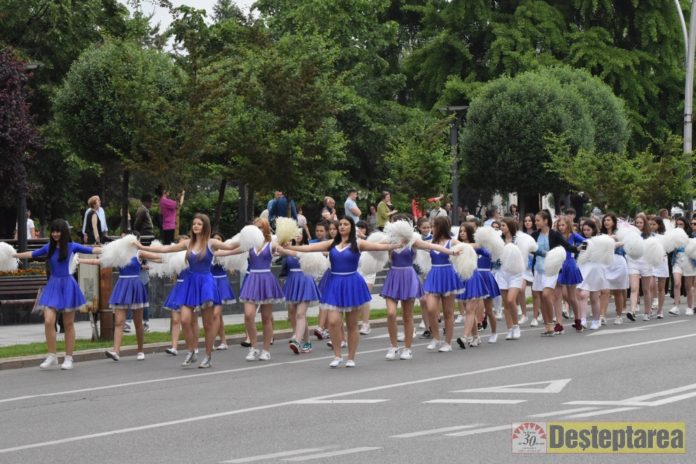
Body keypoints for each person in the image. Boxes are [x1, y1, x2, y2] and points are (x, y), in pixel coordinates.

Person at [283, 216, 402, 368]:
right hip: (335, 284)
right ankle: (337, 355)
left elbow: (378, 247)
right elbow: (310, 248)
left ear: (351, 227)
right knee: (333, 322)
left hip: (352, 284)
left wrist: (398, 244)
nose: (342, 226)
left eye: (346, 224)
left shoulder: (358, 243)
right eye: (340, 224)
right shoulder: (331, 243)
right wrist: (290, 247)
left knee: (352, 324)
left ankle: (351, 357)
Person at [137, 213, 234, 368]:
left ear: (205, 226)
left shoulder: (211, 243)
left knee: (208, 324)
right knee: (184, 319)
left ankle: (208, 355)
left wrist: (250, 241)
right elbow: (165, 249)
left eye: (199, 224)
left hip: (206, 283)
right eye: (194, 224)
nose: (196, 226)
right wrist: (141, 246)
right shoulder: (187, 243)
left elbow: (231, 246)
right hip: (189, 283)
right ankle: (192, 351)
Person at [13, 219, 101, 370]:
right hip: (53, 285)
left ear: (64, 232)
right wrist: (13, 255)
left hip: (68, 285)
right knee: (49, 321)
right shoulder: (49, 247)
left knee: (68, 324)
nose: (55, 234)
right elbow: (32, 254)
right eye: (53, 231)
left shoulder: (72, 246)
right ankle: (52, 356)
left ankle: (69, 357)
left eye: (58, 231)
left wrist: (113, 248)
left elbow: (92, 250)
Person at [381, 215, 458, 360]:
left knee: (407, 315)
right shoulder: (390, 240)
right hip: (393, 277)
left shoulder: (413, 240)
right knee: (391, 313)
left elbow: (432, 246)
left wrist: (452, 252)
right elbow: (373, 246)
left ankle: (408, 348)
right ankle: (393, 346)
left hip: (408, 277)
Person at [79, 232, 160, 361]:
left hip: (135, 287)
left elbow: (158, 257)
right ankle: (116, 352)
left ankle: (140, 350)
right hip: (122, 286)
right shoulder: (119, 254)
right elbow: (99, 261)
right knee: (119, 321)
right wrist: (80, 260)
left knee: (138, 322)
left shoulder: (139, 253)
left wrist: (141, 247)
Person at [215, 218, 285, 362]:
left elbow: (284, 250)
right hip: (252, 280)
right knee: (248, 315)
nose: (258, 230)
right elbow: (230, 250)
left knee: (266, 318)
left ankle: (266, 350)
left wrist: (296, 250)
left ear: (265, 229)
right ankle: (253, 347)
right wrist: (213, 252)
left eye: (261, 227)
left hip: (266, 281)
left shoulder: (271, 244)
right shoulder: (249, 245)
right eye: (256, 227)